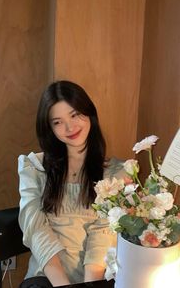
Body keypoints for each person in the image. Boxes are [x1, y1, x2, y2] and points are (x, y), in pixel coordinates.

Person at [18, 81, 123, 287]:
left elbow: (102, 233)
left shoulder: (115, 172)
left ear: (88, 112)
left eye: (74, 115)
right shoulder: (34, 167)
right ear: (49, 128)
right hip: (47, 277)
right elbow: (35, 228)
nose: (69, 127)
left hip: (95, 277)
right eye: (57, 122)